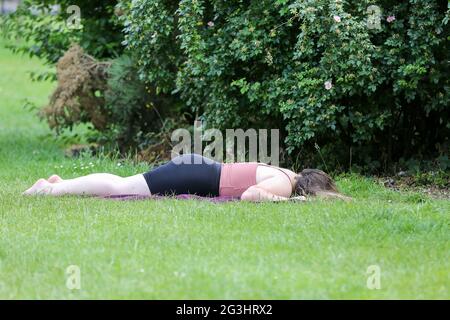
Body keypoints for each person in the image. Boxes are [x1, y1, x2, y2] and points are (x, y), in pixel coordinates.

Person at [23, 153, 349, 201]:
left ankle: (58, 183)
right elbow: (252, 196)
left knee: (126, 181)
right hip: (196, 173)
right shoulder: (285, 183)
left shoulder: (284, 172)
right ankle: (50, 190)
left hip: (199, 169)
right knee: (122, 187)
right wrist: (292, 203)